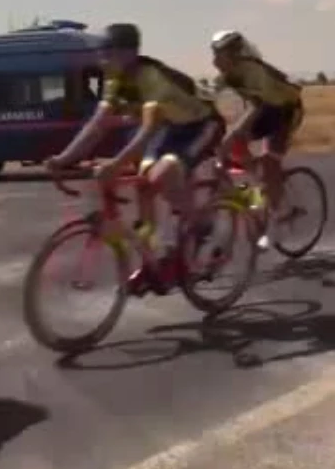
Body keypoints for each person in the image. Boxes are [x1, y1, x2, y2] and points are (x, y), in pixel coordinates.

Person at [46, 23, 223, 287]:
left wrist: (116, 164)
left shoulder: (151, 78)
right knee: (144, 183)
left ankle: (201, 225)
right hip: (169, 127)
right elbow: (97, 125)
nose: (101, 58)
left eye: (107, 51)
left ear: (129, 52)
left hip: (200, 125)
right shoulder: (115, 79)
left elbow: (147, 130)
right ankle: (156, 258)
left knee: (163, 175)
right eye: (99, 52)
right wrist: (62, 158)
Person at [209, 30, 302, 250]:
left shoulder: (254, 70)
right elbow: (211, 105)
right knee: (237, 148)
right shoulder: (225, 76)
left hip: (284, 112)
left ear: (234, 54)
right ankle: (260, 187)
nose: (215, 59)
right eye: (214, 53)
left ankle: (277, 217)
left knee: (269, 160)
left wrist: (231, 134)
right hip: (263, 111)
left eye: (220, 54)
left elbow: (258, 106)